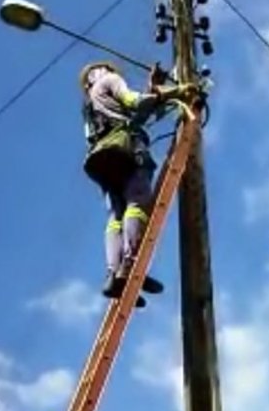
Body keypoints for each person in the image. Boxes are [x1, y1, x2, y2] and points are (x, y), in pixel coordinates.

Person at [79, 59, 190, 304]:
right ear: (101, 72)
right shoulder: (109, 80)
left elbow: (136, 115)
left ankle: (114, 273)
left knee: (116, 215)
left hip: (99, 158)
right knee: (137, 202)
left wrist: (155, 89)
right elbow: (134, 102)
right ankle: (130, 265)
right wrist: (179, 91)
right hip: (127, 151)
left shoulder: (89, 105)